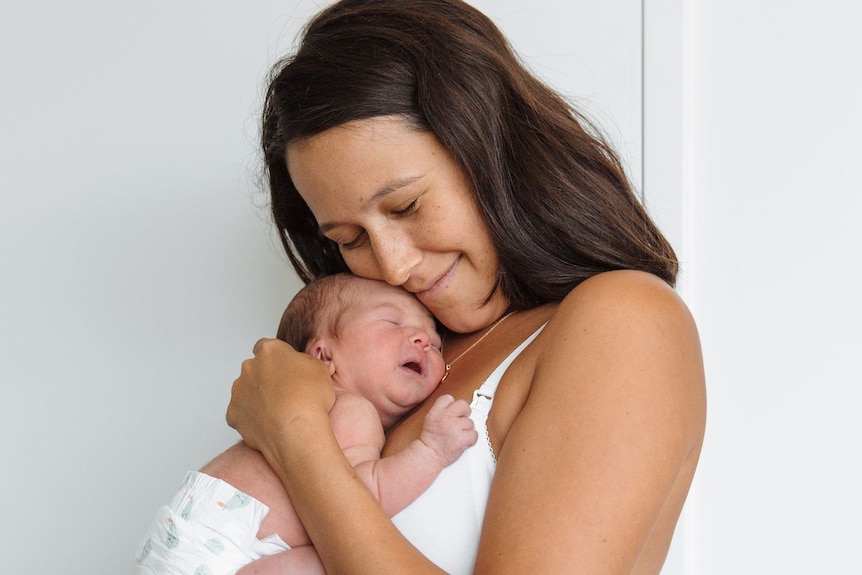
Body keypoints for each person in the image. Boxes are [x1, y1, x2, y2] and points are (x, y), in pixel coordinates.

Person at [225, 0, 707, 573]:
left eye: (406, 205)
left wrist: (295, 434)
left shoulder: (624, 321)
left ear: (493, 149)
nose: (394, 266)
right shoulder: (387, 355)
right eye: (350, 239)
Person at [136, 274, 478, 574]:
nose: (422, 339)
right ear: (324, 356)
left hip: (191, 542)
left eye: (434, 342)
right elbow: (360, 502)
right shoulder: (348, 408)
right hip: (223, 550)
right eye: (392, 323)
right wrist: (431, 451)